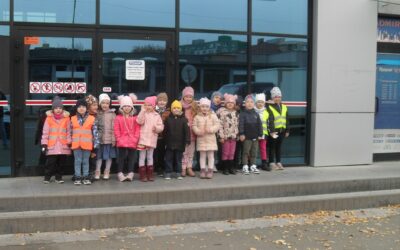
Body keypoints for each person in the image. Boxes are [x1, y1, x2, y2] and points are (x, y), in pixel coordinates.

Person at [40, 96, 71, 184]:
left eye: (60, 108)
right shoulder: (49, 118)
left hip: (63, 145)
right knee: (50, 163)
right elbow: (45, 132)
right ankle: (47, 177)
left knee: (61, 163)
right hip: (52, 145)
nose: (58, 110)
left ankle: (59, 177)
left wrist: (69, 142)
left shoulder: (66, 118)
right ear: (53, 109)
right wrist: (44, 144)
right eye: (56, 108)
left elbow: (69, 131)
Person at [71, 99, 99, 185]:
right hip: (76, 145)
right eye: (79, 107)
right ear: (76, 108)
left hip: (87, 144)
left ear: (86, 108)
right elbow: (69, 132)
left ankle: (86, 177)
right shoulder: (72, 118)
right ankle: (78, 177)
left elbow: (95, 133)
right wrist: (69, 143)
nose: (81, 108)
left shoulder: (92, 118)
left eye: (83, 106)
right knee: (77, 161)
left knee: (86, 161)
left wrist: (95, 146)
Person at [137, 96, 164, 182]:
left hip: (152, 139)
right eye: (146, 105)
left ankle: (150, 174)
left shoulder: (157, 115)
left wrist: (157, 128)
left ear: (154, 106)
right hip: (142, 139)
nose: (148, 107)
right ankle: (142, 174)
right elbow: (139, 121)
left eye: (150, 105)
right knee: (142, 157)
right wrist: (142, 111)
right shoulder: (143, 113)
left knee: (150, 157)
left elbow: (161, 126)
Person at [114, 94, 140, 182]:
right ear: (121, 108)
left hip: (132, 141)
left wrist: (136, 138)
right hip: (122, 141)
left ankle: (130, 172)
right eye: (124, 106)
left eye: (129, 106)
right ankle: (120, 173)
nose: (127, 108)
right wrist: (119, 138)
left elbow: (137, 129)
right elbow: (116, 130)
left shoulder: (135, 118)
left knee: (132, 158)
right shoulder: (118, 118)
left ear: (132, 107)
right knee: (121, 158)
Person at [192, 97, 220, 179]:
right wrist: (198, 131)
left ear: (209, 107)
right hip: (201, 139)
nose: (205, 108)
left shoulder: (213, 116)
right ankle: (203, 170)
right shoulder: (197, 117)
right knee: (202, 156)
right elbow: (194, 126)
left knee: (211, 156)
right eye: (203, 106)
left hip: (211, 139)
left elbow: (217, 125)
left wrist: (211, 129)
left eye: (207, 106)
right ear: (200, 107)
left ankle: (210, 170)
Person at [163, 100, 190, 180]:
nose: (176, 110)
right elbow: (165, 132)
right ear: (171, 109)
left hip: (180, 143)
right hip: (169, 143)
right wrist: (165, 142)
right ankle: (168, 172)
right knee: (168, 159)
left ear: (181, 109)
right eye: (174, 108)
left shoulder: (184, 120)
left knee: (178, 159)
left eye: (178, 108)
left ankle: (178, 172)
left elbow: (187, 131)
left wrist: (187, 140)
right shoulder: (168, 119)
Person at [239, 94, 263, 175]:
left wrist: (260, 134)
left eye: (251, 102)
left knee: (254, 152)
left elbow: (260, 125)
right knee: (246, 152)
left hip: (255, 137)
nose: (249, 104)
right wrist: (241, 133)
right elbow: (241, 124)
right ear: (245, 103)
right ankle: (245, 166)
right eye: (247, 102)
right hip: (246, 137)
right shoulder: (243, 114)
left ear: (254, 104)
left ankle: (253, 165)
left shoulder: (256, 114)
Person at [95, 93, 117, 180]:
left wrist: (114, 139)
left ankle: (107, 171)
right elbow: (95, 127)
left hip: (109, 140)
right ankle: (97, 171)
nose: (105, 105)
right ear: (100, 104)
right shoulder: (97, 114)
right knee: (98, 157)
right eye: (103, 103)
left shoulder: (112, 114)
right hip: (99, 140)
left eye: (107, 103)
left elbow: (114, 128)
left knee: (109, 157)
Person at [217, 94, 239, 175]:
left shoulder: (236, 113)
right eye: (228, 102)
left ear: (234, 104)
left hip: (233, 137)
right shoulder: (222, 112)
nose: (230, 104)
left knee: (232, 152)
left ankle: (231, 167)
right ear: (225, 103)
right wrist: (221, 136)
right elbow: (220, 125)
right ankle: (225, 168)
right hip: (225, 137)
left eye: (232, 103)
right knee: (225, 152)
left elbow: (237, 124)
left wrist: (237, 135)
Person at [268, 87, 289, 170]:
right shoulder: (270, 107)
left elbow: (287, 119)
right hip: (274, 131)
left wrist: (287, 130)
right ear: (272, 98)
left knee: (279, 147)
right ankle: (271, 162)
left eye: (279, 97)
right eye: (275, 97)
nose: (277, 98)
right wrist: (272, 131)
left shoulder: (284, 107)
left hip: (282, 131)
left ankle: (278, 162)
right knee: (272, 146)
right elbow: (270, 120)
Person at [180, 86, 197, 177]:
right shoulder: (179, 105)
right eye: (186, 96)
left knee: (191, 151)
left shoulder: (194, 106)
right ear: (183, 96)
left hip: (192, 133)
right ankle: (183, 168)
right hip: (183, 133)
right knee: (184, 151)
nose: (188, 98)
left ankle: (189, 167)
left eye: (190, 97)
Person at [154, 92, 170, 176]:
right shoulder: (153, 110)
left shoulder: (168, 112)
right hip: (154, 136)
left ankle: (161, 168)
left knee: (162, 153)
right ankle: (154, 167)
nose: (162, 102)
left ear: (166, 102)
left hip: (163, 136)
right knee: (153, 153)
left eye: (164, 100)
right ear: (157, 101)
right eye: (160, 100)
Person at [254, 93, 270, 171]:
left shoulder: (266, 112)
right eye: (258, 102)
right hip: (254, 134)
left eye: (262, 102)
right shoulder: (253, 111)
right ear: (255, 103)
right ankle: (252, 163)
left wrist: (269, 132)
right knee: (254, 149)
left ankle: (264, 163)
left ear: (264, 103)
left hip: (264, 134)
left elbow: (268, 123)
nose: (260, 104)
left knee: (263, 149)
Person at [86, 94, 99, 181]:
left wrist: (95, 146)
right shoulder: (84, 116)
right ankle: (82, 174)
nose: (96, 106)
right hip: (85, 142)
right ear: (88, 106)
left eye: (96, 105)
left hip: (94, 142)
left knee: (93, 159)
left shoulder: (97, 116)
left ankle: (91, 173)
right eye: (94, 105)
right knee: (84, 159)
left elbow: (98, 131)